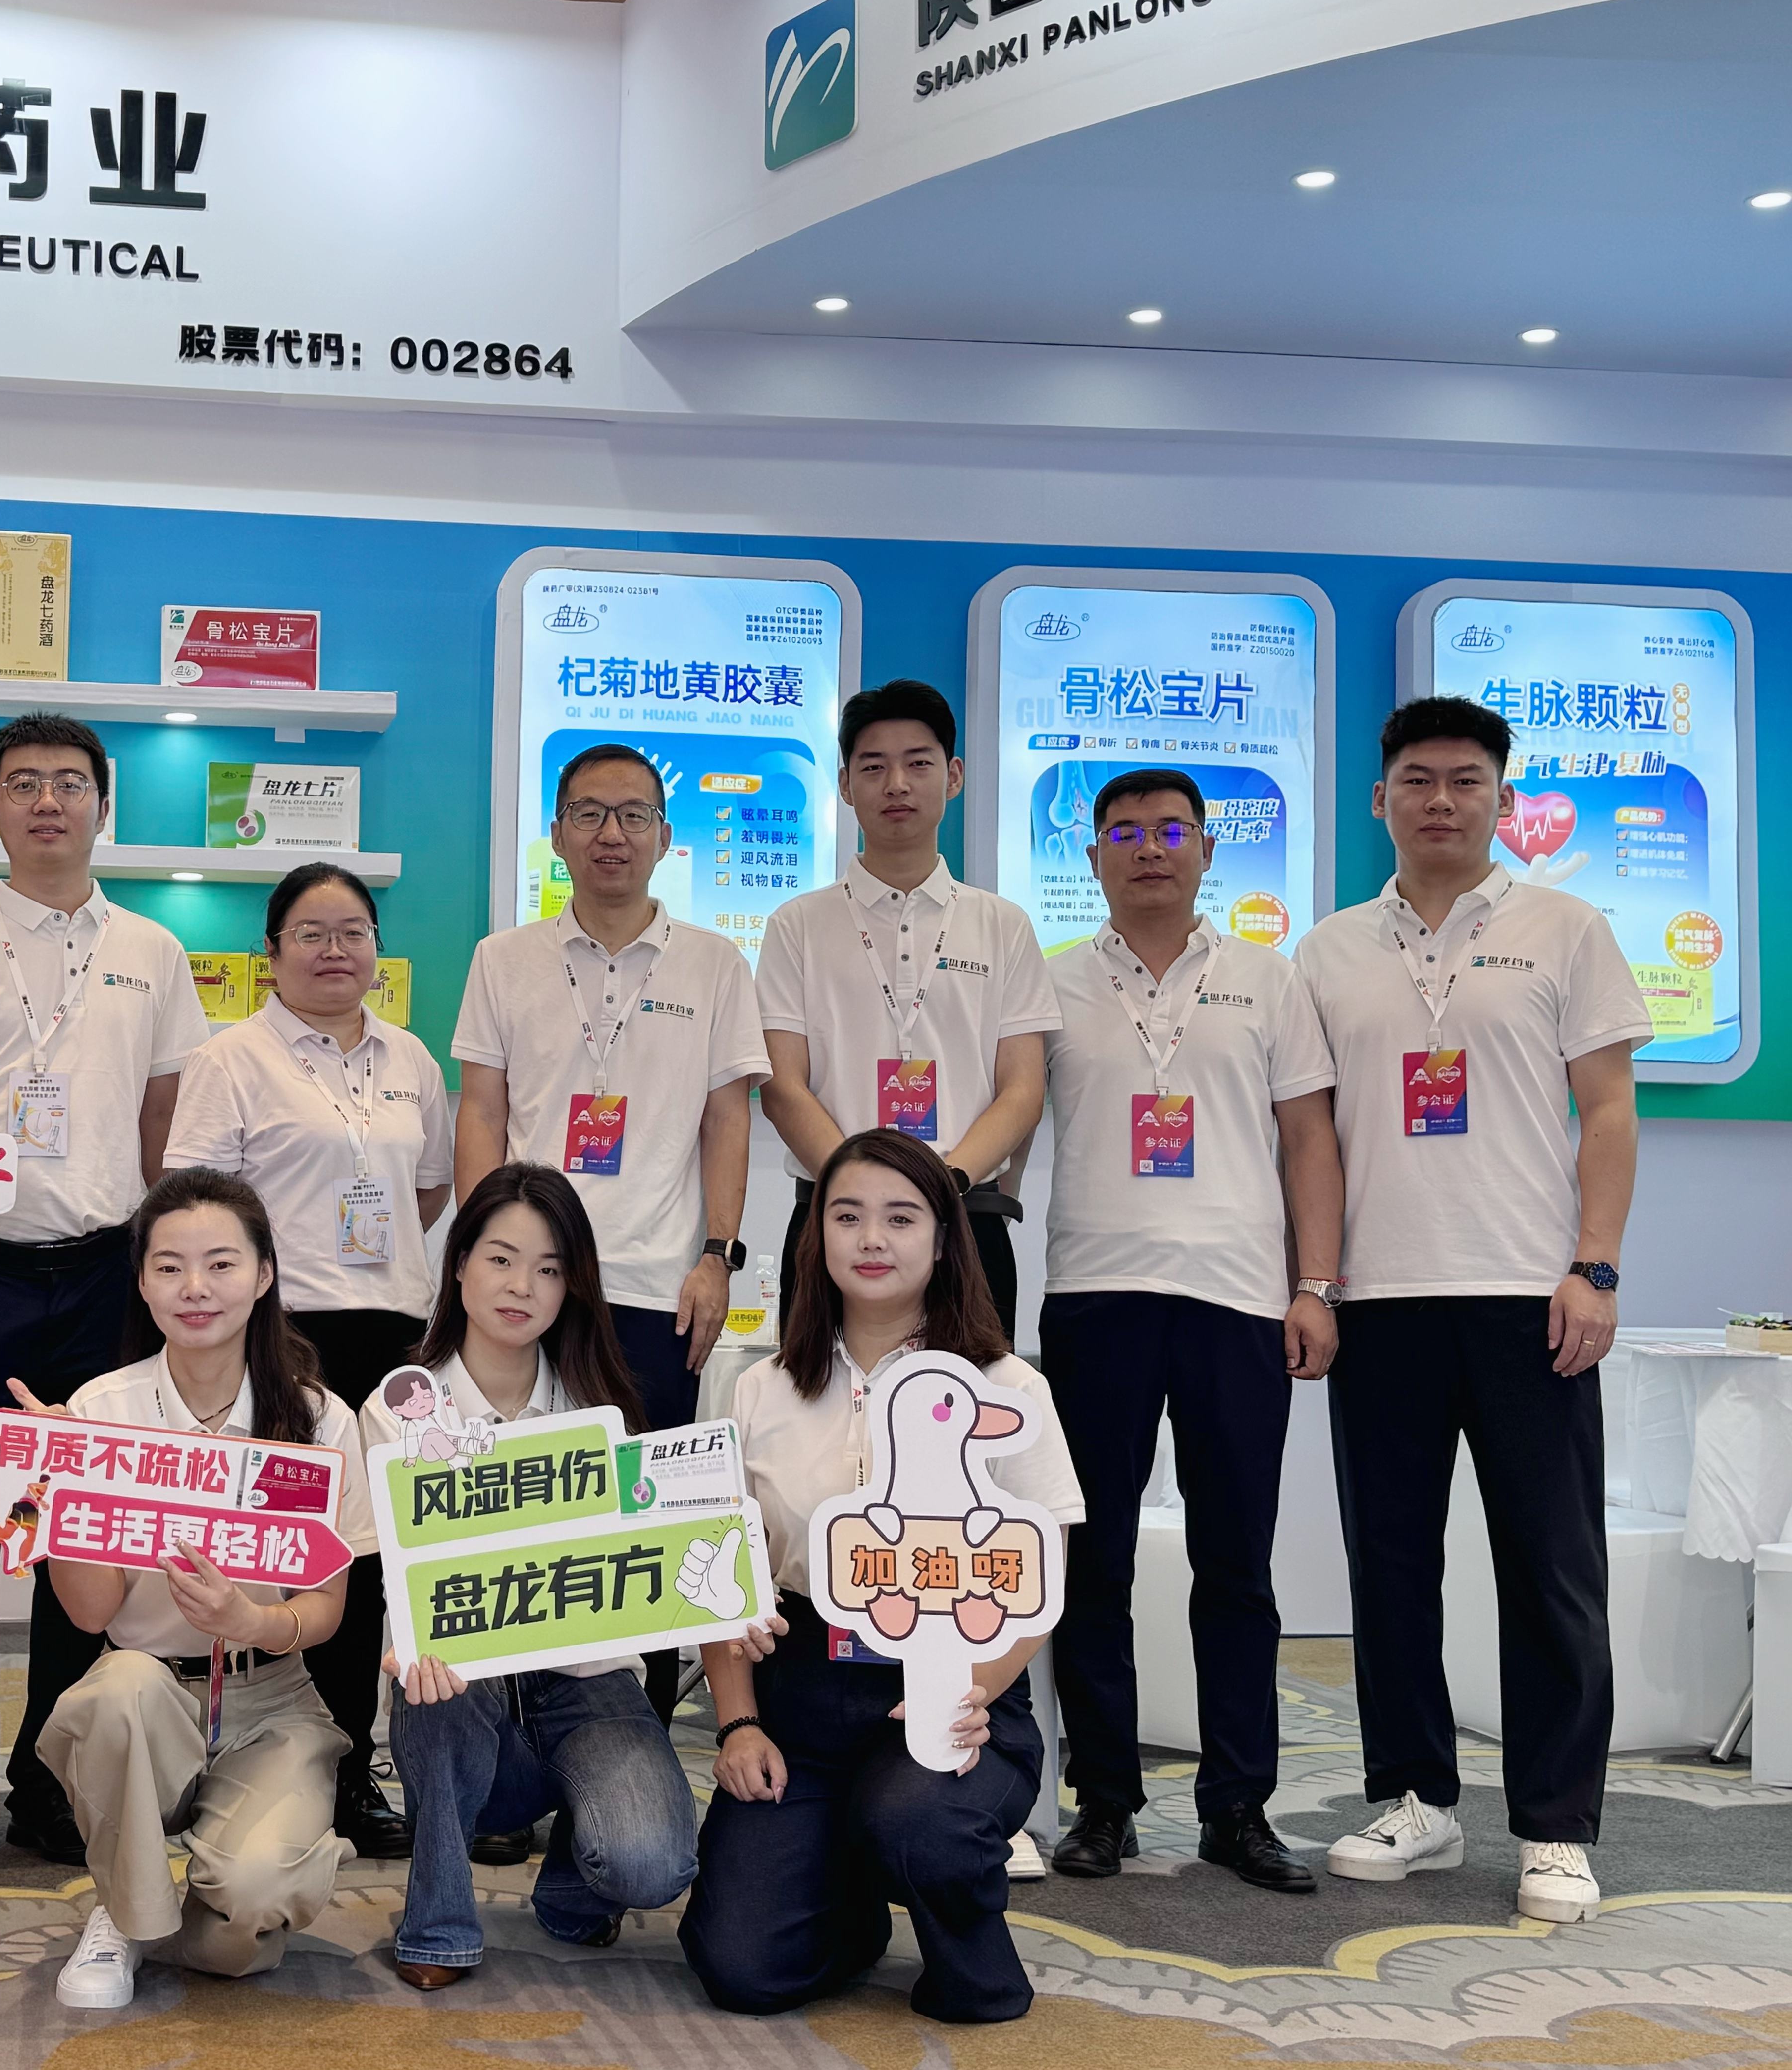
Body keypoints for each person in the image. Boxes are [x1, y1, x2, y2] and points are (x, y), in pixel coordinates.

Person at [1295, 697, 1647, 1924]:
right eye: (1417, 780)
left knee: (1551, 1567)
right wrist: (1317, 1284)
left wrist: (1595, 1266)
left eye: (1465, 781)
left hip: (1527, 1298)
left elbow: (1609, 1109)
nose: (1440, 800)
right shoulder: (1329, 950)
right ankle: (1415, 1798)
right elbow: (1311, 1137)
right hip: (1381, 1300)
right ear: (1381, 799)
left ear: (1503, 799)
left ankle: (1556, 1825)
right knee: (1391, 1566)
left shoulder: (1567, 929)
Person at [0, 713, 207, 1881]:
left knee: (87, 1538)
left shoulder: (154, 951)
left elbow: (164, 1125)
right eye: (25, 784)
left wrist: (172, 1278)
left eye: (71, 783)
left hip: (109, 1276)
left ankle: (53, 1784)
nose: (50, 802)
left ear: (103, 806)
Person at [680, 1129, 1083, 2024]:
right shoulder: (762, 1387)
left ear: (943, 1240)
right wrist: (739, 1723)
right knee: (742, 1967)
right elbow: (725, 1579)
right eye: (847, 1216)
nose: (872, 1239)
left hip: (953, 1681)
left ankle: (972, 1960)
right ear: (815, 1234)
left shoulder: (1006, 1386)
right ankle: (848, 1902)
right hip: (803, 1692)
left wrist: (976, 1692)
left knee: (915, 1822)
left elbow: (1041, 1571)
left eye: (901, 1219)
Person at [1036, 769, 1346, 1894]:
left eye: (1172, 830)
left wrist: (1317, 1286)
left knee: (1237, 1566)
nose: (1150, 848)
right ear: (1093, 858)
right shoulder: (1053, 981)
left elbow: (1309, 1139)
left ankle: (1239, 1807)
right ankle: (1104, 1802)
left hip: (1238, 1302)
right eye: (1124, 832)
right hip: (1096, 1297)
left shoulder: (1268, 978)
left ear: (1209, 850)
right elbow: (1011, 1129)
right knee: (1093, 1561)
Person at [451, 741, 767, 1740]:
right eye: (589, 813)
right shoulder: (505, 959)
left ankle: (636, 1744)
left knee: (650, 1527)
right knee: (519, 1521)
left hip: (656, 1289)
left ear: (666, 838)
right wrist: (481, 1261)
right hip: (533, 1288)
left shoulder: (715, 964)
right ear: (557, 833)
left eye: (633, 815)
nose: (611, 834)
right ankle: (509, 1743)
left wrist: (717, 1255)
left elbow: (727, 1120)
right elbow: (481, 1110)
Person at [32, 1169, 375, 2010]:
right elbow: (90, 1613)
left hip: (272, 1700)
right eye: (169, 1267)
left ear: (263, 1276)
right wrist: (62, 1494)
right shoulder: (101, 1410)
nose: (195, 1288)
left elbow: (327, 1610)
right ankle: (123, 1913)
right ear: (142, 1283)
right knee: (116, 1691)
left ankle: (160, 1904)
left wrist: (251, 1619)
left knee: (245, 1925)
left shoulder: (320, 1419)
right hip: (146, 1692)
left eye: (221, 1264)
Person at [163, 861, 451, 1862]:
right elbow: (199, 1207)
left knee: (373, 1563)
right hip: (288, 1335)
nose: (336, 951)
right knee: (292, 1557)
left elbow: (426, 1188)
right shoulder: (232, 1058)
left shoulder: (411, 1058)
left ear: (377, 947)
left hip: (397, 1336)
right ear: (272, 952)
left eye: (354, 932)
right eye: (312, 934)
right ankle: (262, 1759)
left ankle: (351, 1765)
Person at [367, 1164, 699, 1989]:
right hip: (464, 1683)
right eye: (501, 1259)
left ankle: (576, 1884)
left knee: (653, 1865)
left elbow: (646, 1571)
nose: (523, 1286)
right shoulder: (401, 1407)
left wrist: (720, 1596)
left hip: (587, 1684)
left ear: (572, 1287)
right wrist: (411, 1645)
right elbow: (401, 1577)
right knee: (433, 1691)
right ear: (459, 1265)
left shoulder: (601, 1409)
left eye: (550, 1269)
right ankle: (438, 1928)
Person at [759, 679, 1057, 1337]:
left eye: (918, 763)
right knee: (821, 1397)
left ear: (953, 777)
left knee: (970, 1401)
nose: (897, 784)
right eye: (873, 767)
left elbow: (1023, 1090)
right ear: (845, 784)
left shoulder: (1003, 926)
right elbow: (782, 1086)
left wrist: (942, 1184)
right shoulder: (796, 926)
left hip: (966, 1221)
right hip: (831, 1221)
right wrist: (860, 1191)